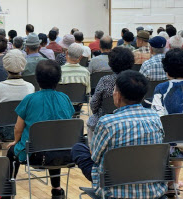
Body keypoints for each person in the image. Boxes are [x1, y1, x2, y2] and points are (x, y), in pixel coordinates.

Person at [71, 70, 166, 199]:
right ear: (143, 96)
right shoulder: (156, 118)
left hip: (113, 191)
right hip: (153, 190)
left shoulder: (107, 122)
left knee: (78, 148)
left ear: (118, 95)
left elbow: (95, 157)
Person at [7, 60, 75, 198]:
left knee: (11, 151)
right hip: (64, 153)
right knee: (53, 144)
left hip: (35, 155)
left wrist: (16, 141)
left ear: (37, 79)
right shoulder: (65, 98)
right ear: (58, 79)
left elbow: (18, 128)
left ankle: (8, 190)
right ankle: (57, 189)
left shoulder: (29, 99)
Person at [152, 49, 183, 190]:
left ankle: (171, 182)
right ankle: (176, 182)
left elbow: (157, 116)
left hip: (168, 142)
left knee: (171, 135)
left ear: (166, 68)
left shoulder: (161, 88)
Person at [87, 47, 134, 141]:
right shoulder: (136, 80)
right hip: (131, 119)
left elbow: (94, 105)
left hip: (106, 119)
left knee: (91, 121)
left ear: (111, 63)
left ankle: (93, 150)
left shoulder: (105, 80)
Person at [0, 49, 35, 121]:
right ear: (23, 64)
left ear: (5, 64)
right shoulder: (30, 87)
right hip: (23, 130)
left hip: (2, 130)